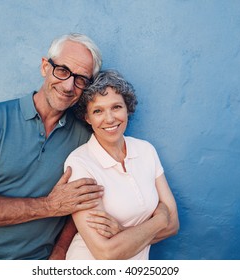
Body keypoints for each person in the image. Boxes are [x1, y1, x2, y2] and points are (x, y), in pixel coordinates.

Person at [0, 33, 117, 260]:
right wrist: (49, 206)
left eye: (80, 79)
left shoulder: (85, 136)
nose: (68, 86)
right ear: (45, 67)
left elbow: (83, 201)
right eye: (63, 71)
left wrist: (60, 250)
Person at [64, 70, 179, 259]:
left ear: (127, 108)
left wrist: (122, 232)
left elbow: (173, 225)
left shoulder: (146, 150)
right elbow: (106, 252)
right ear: (87, 117)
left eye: (116, 107)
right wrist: (160, 219)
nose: (109, 119)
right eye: (98, 111)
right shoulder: (80, 163)